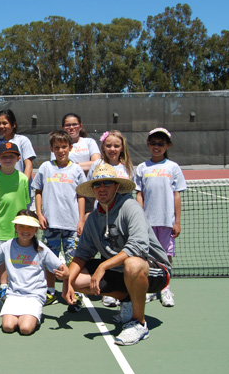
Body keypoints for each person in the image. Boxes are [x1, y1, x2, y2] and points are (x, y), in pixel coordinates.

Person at [64, 164, 172, 346]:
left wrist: (103, 266)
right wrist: (68, 282)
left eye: (107, 183)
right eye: (97, 185)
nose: (102, 188)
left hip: (154, 270)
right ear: (93, 190)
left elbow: (138, 246)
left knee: (133, 264)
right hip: (120, 271)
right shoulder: (92, 219)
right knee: (75, 279)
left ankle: (138, 322)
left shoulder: (130, 207)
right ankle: (126, 299)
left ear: (116, 186)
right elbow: (82, 253)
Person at [0, 210, 69, 335]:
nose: (25, 230)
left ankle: (33, 315)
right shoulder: (7, 246)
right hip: (14, 294)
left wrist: (65, 274)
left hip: (34, 295)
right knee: (8, 326)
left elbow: (64, 268)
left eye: (30, 227)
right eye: (21, 226)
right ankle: (20, 313)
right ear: (15, 228)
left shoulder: (41, 248)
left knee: (25, 328)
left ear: (36, 230)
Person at [31, 130, 85, 306]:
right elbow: (38, 191)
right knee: (50, 259)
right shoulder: (46, 167)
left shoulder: (76, 170)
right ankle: (51, 291)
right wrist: (39, 214)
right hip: (50, 224)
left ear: (70, 148)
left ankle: (70, 291)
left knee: (72, 261)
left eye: (64, 147)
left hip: (71, 225)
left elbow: (82, 196)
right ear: (51, 149)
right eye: (57, 147)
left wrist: (81, 220)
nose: (61, 150)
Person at [135, 128, 186, 307]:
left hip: (166, 222)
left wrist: (177, 221)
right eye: (153, 143)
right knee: (148, 257)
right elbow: (139, 195)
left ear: (168, 145)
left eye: (161, 143)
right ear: (148, 144)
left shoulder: (173, 167)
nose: (157, 146)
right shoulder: (142, 168)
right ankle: (150, 287)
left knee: (165, 256)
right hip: (148, 223)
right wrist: (139, 218)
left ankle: (165, 288)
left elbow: (176, 195)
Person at [87, 130, 134, 308]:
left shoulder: (127, 167)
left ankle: (126, 288)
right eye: (108, 145)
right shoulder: (97, 165)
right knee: (105, 248)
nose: (112, 149)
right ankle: (108, 292)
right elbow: (92, 191)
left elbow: (131, 193)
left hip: (123, 217)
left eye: (116, 145)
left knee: (123, 250)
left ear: (122, 147)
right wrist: (88, 214)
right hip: (102, 216)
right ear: (103, 147)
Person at [0, 142, 30, 298]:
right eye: (4, 157)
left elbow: (25, 201)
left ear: (18, 158)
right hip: (1, 227)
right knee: (2, 260)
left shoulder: (23, 178)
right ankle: (4, 286)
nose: (8, 159)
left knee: (20, 258)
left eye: (11, 156)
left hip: (20, 228)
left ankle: (20, 285)